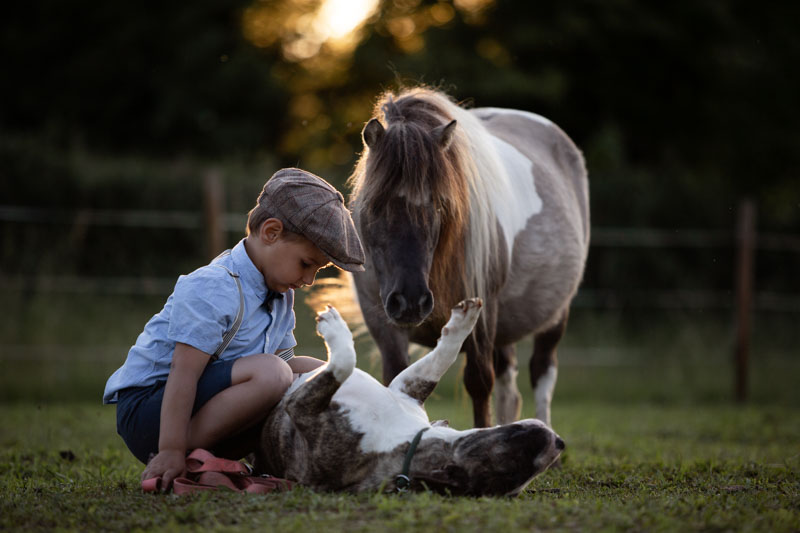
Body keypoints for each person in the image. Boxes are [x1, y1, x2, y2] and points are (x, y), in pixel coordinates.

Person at [102, 168, 365, 489]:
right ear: (271, 232)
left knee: (313, 373)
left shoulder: (281, 295)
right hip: (151, 413)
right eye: (306, 264)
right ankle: (183, 452)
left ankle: (293, 455)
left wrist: (335, 376)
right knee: (274, 374)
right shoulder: (214, 286)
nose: (309, 280)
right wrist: (170, 449)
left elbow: (288, 367)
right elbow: (183, 372)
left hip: (206, 408)